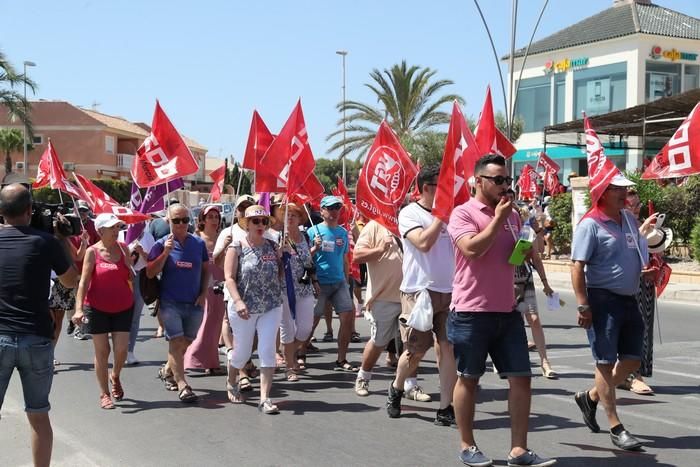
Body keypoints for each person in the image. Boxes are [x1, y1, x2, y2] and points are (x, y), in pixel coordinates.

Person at [448, 155, 556, 467]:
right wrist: (498, 219)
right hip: (471, 310)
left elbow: (515, 255)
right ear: (478, 181)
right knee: (469, 378)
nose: (504, 186)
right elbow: (471, 248)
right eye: (498, 180)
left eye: (507, 180)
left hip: (507, 310)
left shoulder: (511, 215)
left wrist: (527, 240)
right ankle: (468, 445)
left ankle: (519, 450)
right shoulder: (463, 213)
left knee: (522, 378)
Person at [571, 174, 655, 451]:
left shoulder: (629, 220)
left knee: (633, 360)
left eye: (625, 189)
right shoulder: (590, 225)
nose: (624, 194)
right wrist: (583, 304)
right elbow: (576, 267)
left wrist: (647, 270)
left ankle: (591, 397)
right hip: (602, 300)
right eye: (617, 189)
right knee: (605, 362)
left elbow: (637, 253)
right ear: (602, 193)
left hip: (629, 299)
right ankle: (616, 426)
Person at [0, 183, 79, 467]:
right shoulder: (45, 242)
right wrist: (60, 241)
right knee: (38, 414)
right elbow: (71, 281)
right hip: (36, 337)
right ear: (30, 210)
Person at [386, 165, 457, 425]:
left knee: (448, 349)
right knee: (415, 352)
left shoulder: (452, 215)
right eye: (443, 186)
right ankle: (396, 386)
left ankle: (445, 408)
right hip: (420, 293)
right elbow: (423, 243)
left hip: (449, 292)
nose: (448, 191)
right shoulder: (409, 213)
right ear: (427, 188)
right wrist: (441, 216)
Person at [147, 204, 209, 403]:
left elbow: (206, 269)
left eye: (184, 220)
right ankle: (182, 384)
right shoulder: (161, 243)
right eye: (176, 220)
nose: (181, 224)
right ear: (169, 221)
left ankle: (167, 369)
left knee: (186, 342)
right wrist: (165, 253)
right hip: (170, 302)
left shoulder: (198, 244)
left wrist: (203, 292)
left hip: (194, 303)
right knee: (176, 342)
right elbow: (149, 272)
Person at [223, 205, 283, 413]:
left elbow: (280, 275)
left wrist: (283, 257)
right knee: (242, 353)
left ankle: (264, 398)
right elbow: (229, 278)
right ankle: (232, 378)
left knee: (268, 350)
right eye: (255, 221)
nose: (260, 225)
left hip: (271, 305)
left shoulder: (273, 246)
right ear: (246, 224)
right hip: (244, 308)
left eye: (264, 221)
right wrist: (238, 301)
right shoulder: (236, 247)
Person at [72, 214, 134, 409]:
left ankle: (115, 375)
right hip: (97, 307)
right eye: (111, 228)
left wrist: (129, 263)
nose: (116, 231)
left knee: (122, 350)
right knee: (102, 351)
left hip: (123, 305)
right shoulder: (92, 252)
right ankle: (104, 393)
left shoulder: (123, 248)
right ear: (100, 231)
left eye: (117, 227)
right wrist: (79, 308)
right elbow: (83, 281)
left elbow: (130, 276)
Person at [352, 219, 404, 397]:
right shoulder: (374, 226)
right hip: (383, 297)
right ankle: (363, 376)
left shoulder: (410, 220)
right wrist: (380, 249)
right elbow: (357, 255)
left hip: (409, 296)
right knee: (379, 341)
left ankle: (411, 385)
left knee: (412, 343)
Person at [308, 195, 357, 371]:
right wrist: (314, 248)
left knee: (347, 317)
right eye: (330, 208)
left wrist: (346, 278)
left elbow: (345, 259)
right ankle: (301, 352)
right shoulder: (312, 231)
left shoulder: (343, 233)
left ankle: (341, 359)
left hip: (339, 282)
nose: (335, 211)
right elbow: (304, 259)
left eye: (337, 207)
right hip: (319, 282)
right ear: (321, 211)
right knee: (312, 320)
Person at [617, 189, 658, 395]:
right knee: (632, 330)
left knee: (645, 330)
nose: (634, 209)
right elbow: (627, 247)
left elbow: (652, 250)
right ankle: (633, 375)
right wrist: (642, 228)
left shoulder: (639, 224)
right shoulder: (620, 225)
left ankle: (631, 373)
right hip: (627, 283)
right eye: (630, 205)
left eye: (637, 205)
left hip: (645, 282)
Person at [185, 205, 226, 375]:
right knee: (204, 322)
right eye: (210, 217)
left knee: (216, 323)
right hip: (203, 285)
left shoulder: (223, 237)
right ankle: (192, 358)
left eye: (216, 216)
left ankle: (211, 361)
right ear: (202, 219)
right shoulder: (196, 239)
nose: (214, 220)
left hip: (221, 285)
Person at [279, 203, 318, 382]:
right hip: (283, 289)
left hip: (304, 288)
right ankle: (289, 366)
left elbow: (308, 262)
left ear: (300, 218)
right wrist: (280, 251)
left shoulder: (305, 237)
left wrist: (315, 281)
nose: (290, 218)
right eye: (287, 214)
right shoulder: (277, 237)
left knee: (305, 329)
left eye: (294, 215)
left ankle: (288, 351)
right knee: (287, 329)